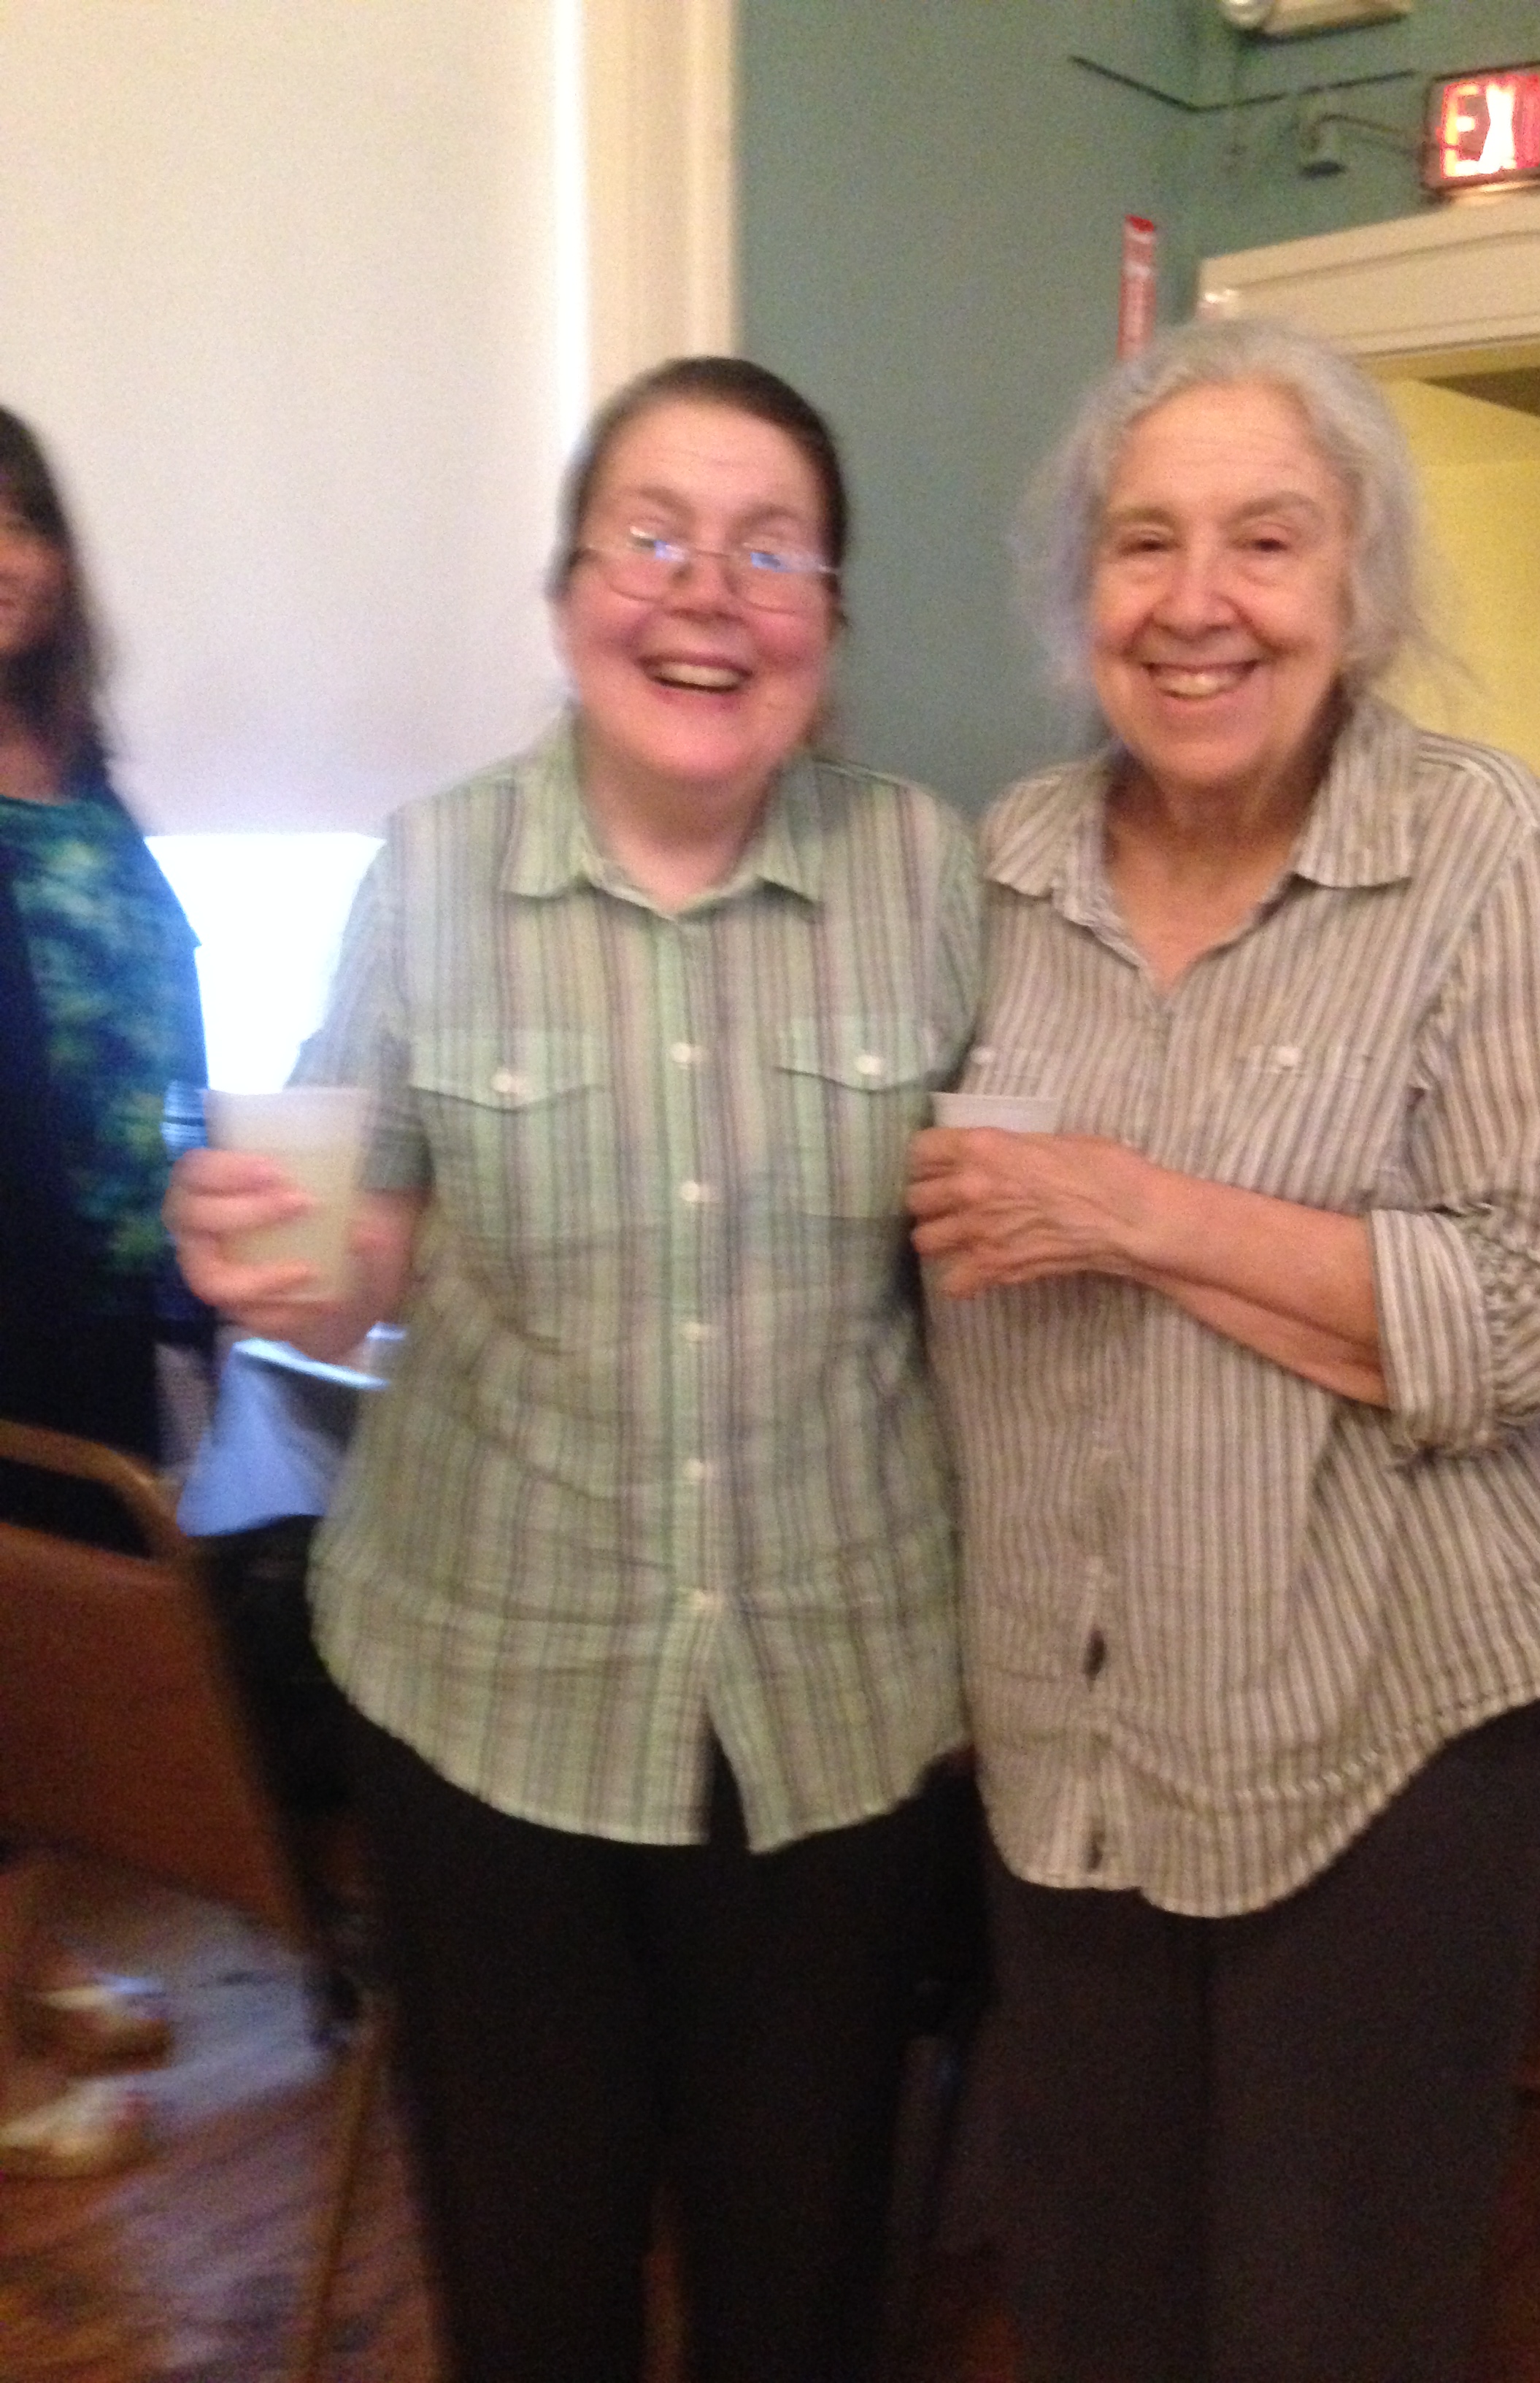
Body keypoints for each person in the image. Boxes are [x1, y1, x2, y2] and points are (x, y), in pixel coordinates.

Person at [166, 356, 979, 2383]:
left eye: (773, 552)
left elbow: (992, 1251)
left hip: (832, 1711)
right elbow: (362, 1250)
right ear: (565, 595)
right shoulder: (430, 872)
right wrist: (284, 1268)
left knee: (801, 2284)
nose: (709, 592)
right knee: (534, 2289)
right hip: (490, 1698)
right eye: (655, 537)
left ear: (830, 622)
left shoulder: (931, 878)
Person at [907, 316, 1540, 2383]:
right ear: (1084, 589)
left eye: (1268, 540)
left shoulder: (1476, 846)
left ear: (1358, 584)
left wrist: (1132, 1213)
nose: (1197, 600)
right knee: (1099, 2299)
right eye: (1145, 542)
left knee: (1333, 2317)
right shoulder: (998, 871)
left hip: (1389, 1726)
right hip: (1072, 1720)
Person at [0, 407, 207, 2176]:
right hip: (5, 1299)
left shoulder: (79, 771)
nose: (0, 557)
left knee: (55, 1666)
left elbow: (150, 999)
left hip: (104, 1289)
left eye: (21, 521)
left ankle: (35, 1963)